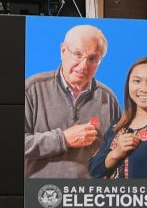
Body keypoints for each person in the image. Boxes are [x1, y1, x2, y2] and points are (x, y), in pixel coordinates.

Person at [25, 25, 121, 178]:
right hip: (43, 194)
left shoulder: (108, 99)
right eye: (78, 54)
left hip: (89, 196)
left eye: (92, 59)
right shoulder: (33, 89)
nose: (83, 66)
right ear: (63, 51)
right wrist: (62, 139)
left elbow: (115, 154)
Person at [90, 57, 147, 179]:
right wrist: (116, 153)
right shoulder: (118, 125)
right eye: (137, 81)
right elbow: (94, 170)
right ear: (128, 85)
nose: (143, 89)